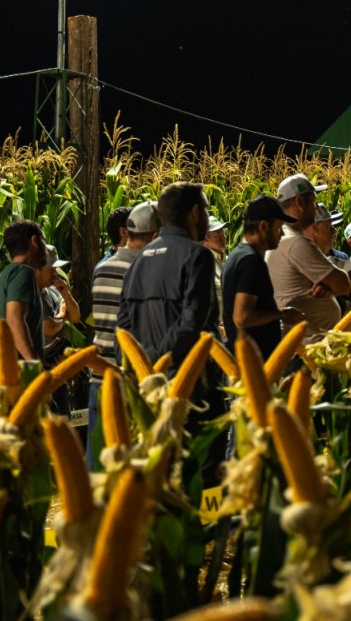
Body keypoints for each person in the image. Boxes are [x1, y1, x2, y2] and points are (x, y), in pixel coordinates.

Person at [87, 200, 158, 468]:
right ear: (154, 236)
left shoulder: (102, 267)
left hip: (98, 376)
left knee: (97, 464)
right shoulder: (143, 272)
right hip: (128, 379)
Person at [118, 182, 218, 365]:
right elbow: (191, 323)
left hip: (147, 383)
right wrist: (156, 358)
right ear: (195, 212)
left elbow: (122, 329)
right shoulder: (197, 255)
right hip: (187, 380)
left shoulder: (139, 260)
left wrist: (139, 365)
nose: (207, 217)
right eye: (206, 211)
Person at [267, 174, 351, 341]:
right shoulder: (294, 243)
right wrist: (332, 283)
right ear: (299, 203)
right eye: (313, 202)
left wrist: (326, 283)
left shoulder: (280, 237)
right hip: (305, 346)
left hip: (305, 342)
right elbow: (343, 284)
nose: (315, 208)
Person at [223, 195, 296, 359]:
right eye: (279, 227)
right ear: (263, 226)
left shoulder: (236, 255)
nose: (282, 233)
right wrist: (282, 314)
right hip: (253, 362)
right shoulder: (251, 261)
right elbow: (242, 317)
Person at [0, 220, 47, 396]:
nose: (45, 248)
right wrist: (36, 369)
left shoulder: (7, 274)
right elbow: (14, 321)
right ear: (34, 241)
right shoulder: (24, 273)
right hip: (11, 386)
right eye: (43, 240)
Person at [38, 245, 80, 416]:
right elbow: (49, 328)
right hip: (39, 373)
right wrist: (62, 313)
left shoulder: (53, 292)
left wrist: (65, 294)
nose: (55, 272)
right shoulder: (31, 294)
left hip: (57, 370)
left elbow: (76, 316)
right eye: (51, 268)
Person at [204, 213, 229, 323]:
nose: (222, 238)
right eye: (216, 236)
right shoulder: (205, 262)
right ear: (205, 240)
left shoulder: (227, 259)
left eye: (222, 234)